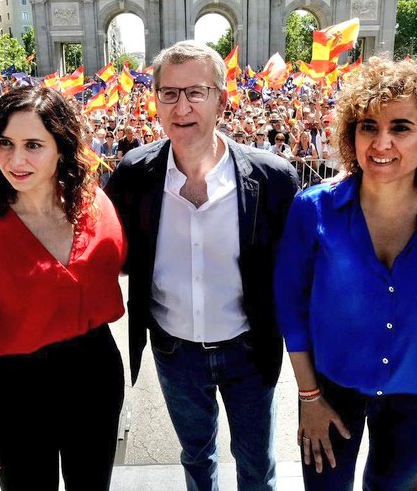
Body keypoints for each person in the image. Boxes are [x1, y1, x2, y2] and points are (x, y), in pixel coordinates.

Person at [274, 58, 417, 490]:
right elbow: (291, 309)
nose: (381, 142)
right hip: (330, 390)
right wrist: (309, 397)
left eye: (401, 127)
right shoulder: (313, 207)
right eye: (368, 126)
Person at [106, 41, 300, 491]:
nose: (181, 106)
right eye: (168, 94)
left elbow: (299, 270)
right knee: (196, 456)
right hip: (175, 352)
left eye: (196, 92)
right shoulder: (135, 174)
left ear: (222, 99)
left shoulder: (273, 178)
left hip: (249, 349)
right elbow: (104, 248)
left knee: (256, 464)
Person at [0, 86, 126, 491]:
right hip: (15, 388)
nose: (16, 160)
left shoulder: (97, 204)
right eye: (5, 143)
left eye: (33, 144)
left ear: (62, 147)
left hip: (94, 371)